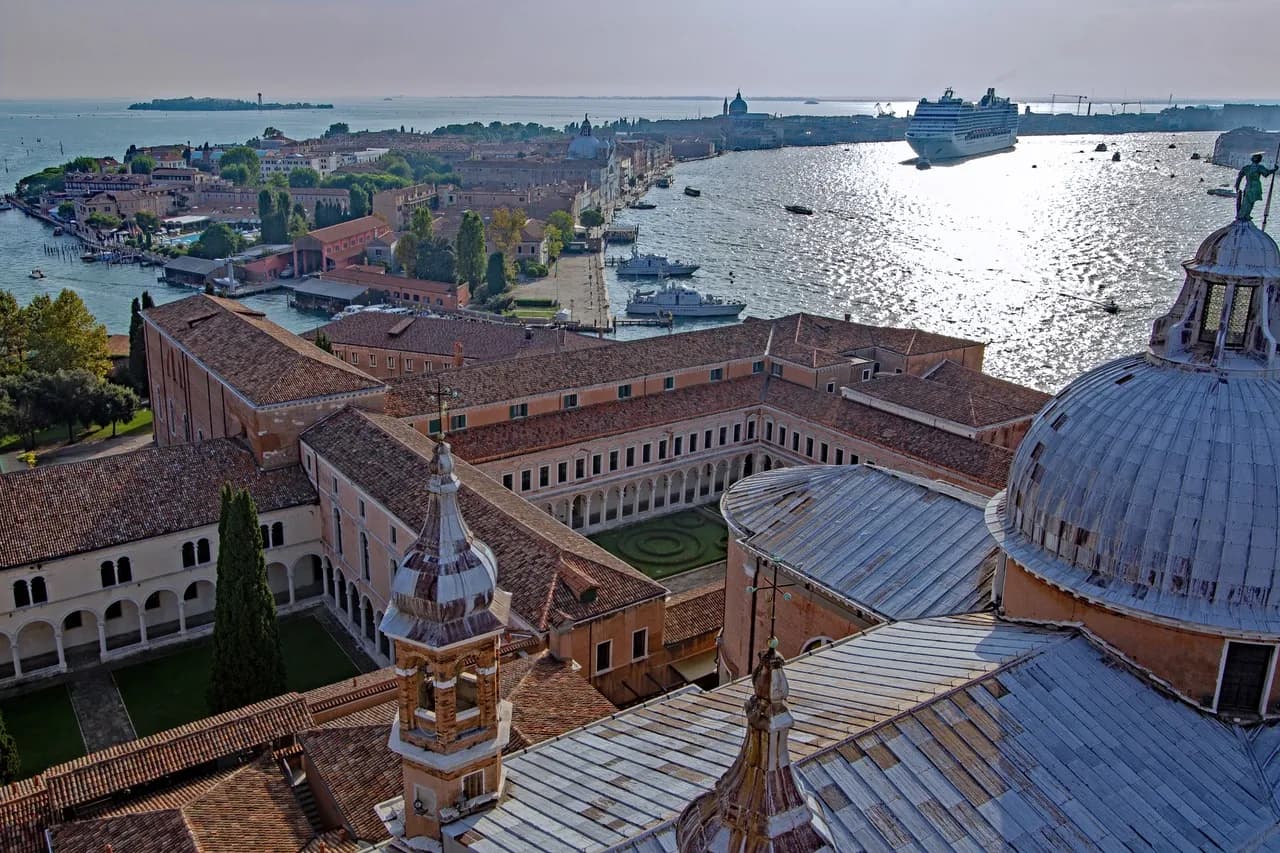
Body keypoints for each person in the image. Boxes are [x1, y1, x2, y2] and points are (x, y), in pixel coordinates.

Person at [1235, 152, 1278, 221]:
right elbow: (1266, 173)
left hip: (1249, 186)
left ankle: (1244, 215)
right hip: (1255, 186)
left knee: (1246, 201)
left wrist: (1237, 185)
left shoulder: (1246, 168)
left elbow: (1240, 177)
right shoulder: (1259, 168)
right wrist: (1274, 169)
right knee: (1250, 202)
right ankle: (1244, 215)